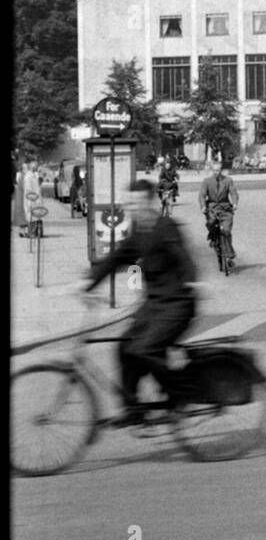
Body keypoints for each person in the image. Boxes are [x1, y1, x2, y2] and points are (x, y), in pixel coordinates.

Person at [85, 178, 198, 427]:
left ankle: (180, 395)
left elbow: (184, 257)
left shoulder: (165, 226)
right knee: (124, 347)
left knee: (143, 349)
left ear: (147, 202)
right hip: (155, 305)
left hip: (178, 305)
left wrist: (192, 280)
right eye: (128, 203)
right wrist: (88, 284)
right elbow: (116, 258)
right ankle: (133, 408)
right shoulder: (139, 232)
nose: (130, 207)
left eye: (134, 203)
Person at [198, 157, 239, 269]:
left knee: (226, 231)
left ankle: (229, 255)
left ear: (222, 170)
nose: (217, 173)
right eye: (215, 170)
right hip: (211, 208)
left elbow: (233, 192)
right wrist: (202, 206)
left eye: (219, 170)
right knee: (211, 222)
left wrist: (234, 203)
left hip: (225, 208)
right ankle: (212, 237)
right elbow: (202, 195)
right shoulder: (207, 181)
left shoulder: (228, 180)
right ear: (212, 170)